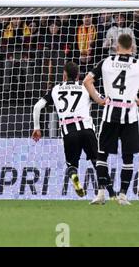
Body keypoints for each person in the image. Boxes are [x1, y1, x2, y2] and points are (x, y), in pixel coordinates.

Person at [32, 62, 111, 198]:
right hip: (87, 129)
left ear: (64, 75)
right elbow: (103, 101)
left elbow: (37, 107)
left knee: (72, 165)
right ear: (78, 75)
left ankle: (74, 177)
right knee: (97, 161)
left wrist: (37, 128)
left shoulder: (56, 89)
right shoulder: (85, 87)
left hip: (69, 132)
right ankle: (108, 192)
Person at [84, 33, 139, 205]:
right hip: (130, 114)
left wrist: (99, 98)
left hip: (110, 112)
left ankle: (101, 194)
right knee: (128, 157)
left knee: (102, 154)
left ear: (117, 45)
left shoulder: (106, 62)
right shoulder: (137, 65)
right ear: (132, 46)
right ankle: (122, 195)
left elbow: (87, 81)